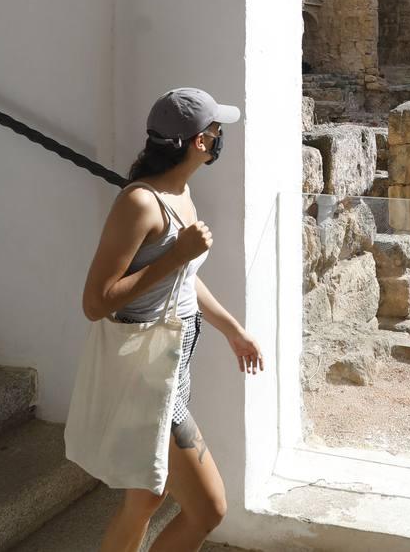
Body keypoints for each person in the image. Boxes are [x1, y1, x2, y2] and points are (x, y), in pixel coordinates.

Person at [81, 88, 264, 552]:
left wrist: (233, 330)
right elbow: (97, 301)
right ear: (198, 142)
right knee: (208, 508)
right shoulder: (141, 203)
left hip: (170, 371)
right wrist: (177, 254)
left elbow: (183, 280)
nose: (222, 134)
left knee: (146, 499)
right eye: (216, 129)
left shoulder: (180, 193)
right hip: (148, 376)